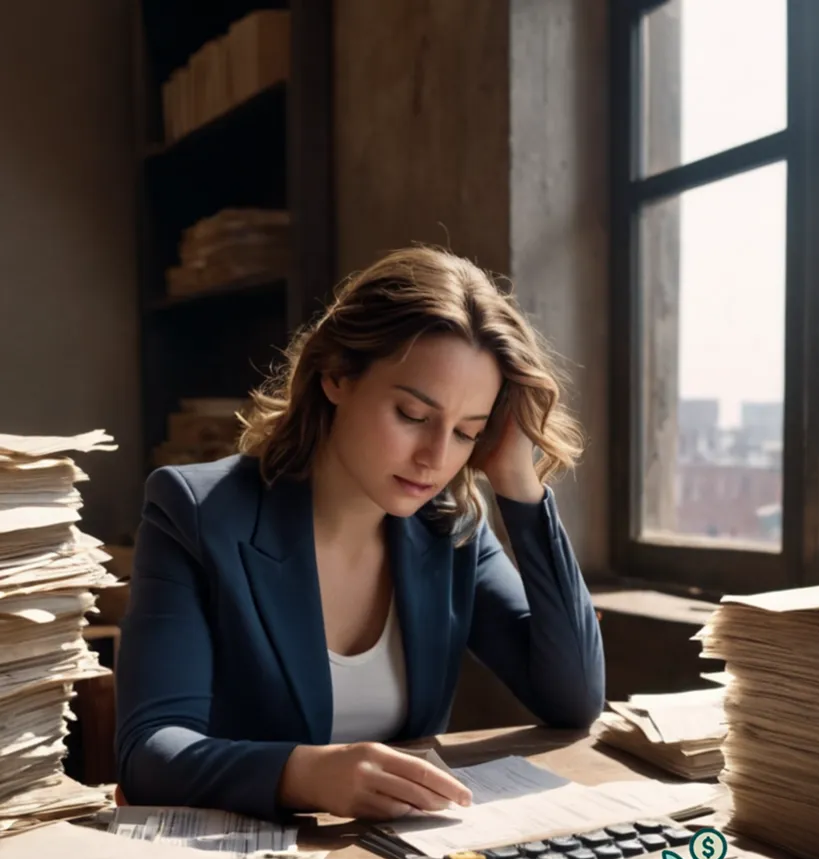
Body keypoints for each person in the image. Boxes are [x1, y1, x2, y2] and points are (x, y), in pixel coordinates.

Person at [115, 245, 605, 823]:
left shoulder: (452, 528)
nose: (434, 458)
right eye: (413, 416)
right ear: (337, 375)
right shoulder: (196, 511)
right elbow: (148, 755)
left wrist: (521, 486)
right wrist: (304, 774)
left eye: (467, 432)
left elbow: (572, 699)